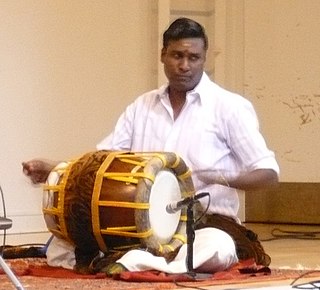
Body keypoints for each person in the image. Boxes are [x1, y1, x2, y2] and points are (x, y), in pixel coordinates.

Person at [22, 17, 279, 275]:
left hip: (202, 225)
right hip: (142, 226)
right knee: (61, 247)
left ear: (204, 58)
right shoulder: (142, 106)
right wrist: (55, 167)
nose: (185, 66)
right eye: (177, 56)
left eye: (194, 57)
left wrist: (220, 177)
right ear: (163, 55)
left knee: (217, 248)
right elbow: (102, 161)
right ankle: (141, 262)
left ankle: (136, 262)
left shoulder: (229, 107)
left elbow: (268, 174)